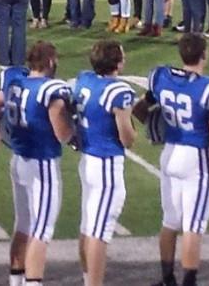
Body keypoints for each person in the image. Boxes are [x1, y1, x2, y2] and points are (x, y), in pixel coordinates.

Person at [135, 33, 209, 286]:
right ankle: (188, 281)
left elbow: (139, 108)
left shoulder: (162, 77)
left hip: (170, 154)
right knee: (193, 227)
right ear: (204, 54)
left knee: (170, 222)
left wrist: (152, 125)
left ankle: (167, 279)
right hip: (196, 159)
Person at [1, 41, 74, 286]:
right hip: (41, 164)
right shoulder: (50, 89)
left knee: (22, 226)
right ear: (50, 62)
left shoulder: (15, 83)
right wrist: (74, 131)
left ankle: (16, 281)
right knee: (41, 231)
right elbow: (62, 132)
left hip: (19, 159)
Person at [74, 40, 137, 286]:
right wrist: (134, 132)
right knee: (99, 233)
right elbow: (126, 137)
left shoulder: (84, 80)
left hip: (88, 160)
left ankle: (88, 279)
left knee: (89, 227)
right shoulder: (117, 92)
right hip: (107, 164)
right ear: (117, 62)